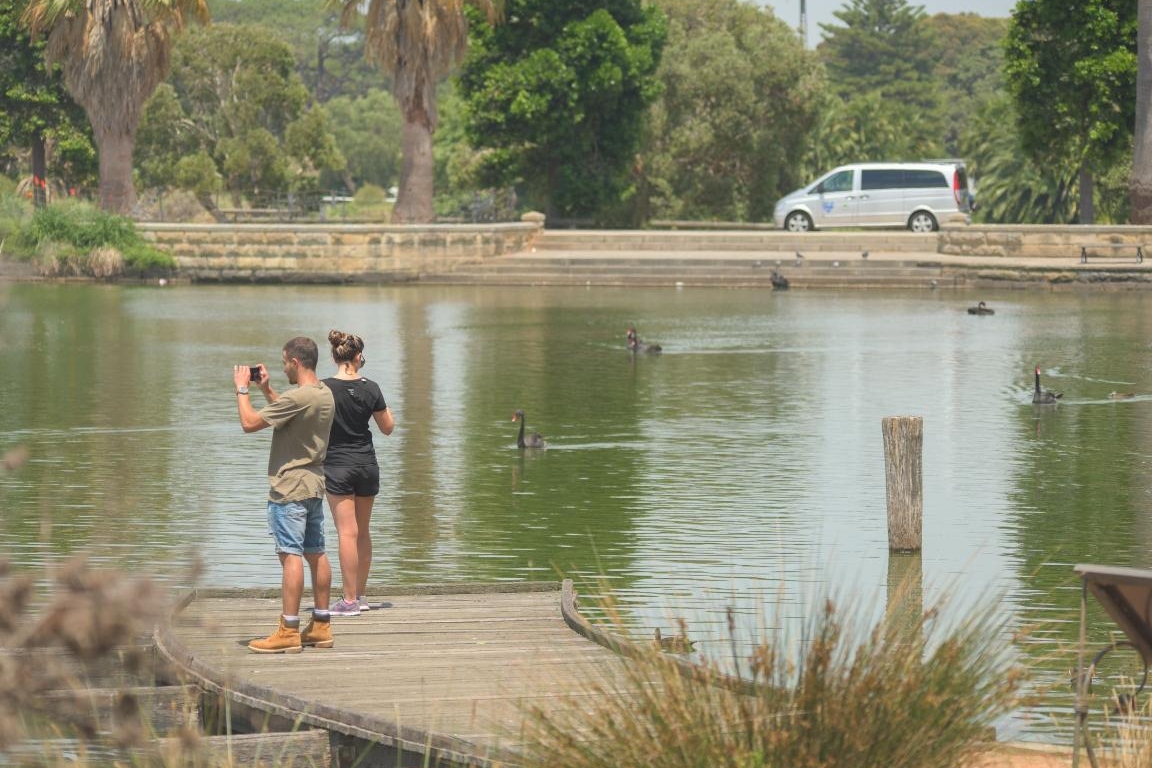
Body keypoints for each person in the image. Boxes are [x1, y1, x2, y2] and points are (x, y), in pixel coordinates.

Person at [234, 336, 336, 653]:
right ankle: (321, 625)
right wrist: (266, 390)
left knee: (290, 554)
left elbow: (250, 423)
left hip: (289, 487)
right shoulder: (322, 393)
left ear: (295, 362)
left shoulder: (299, 395)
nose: (283, 368)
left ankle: (288, 629)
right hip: (314, 484)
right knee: (316, 552)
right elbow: (288, 413)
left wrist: (242, 389)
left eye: (284, 363)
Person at [323, 329, 395, 616]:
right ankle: (360, 596)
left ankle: (349, 601)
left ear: (334, 357)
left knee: (346, 533)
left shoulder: (323, 388)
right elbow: (388, 428)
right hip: (367, 465)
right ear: (358, 356)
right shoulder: (372, 387)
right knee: (362, 531)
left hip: (337, 465)